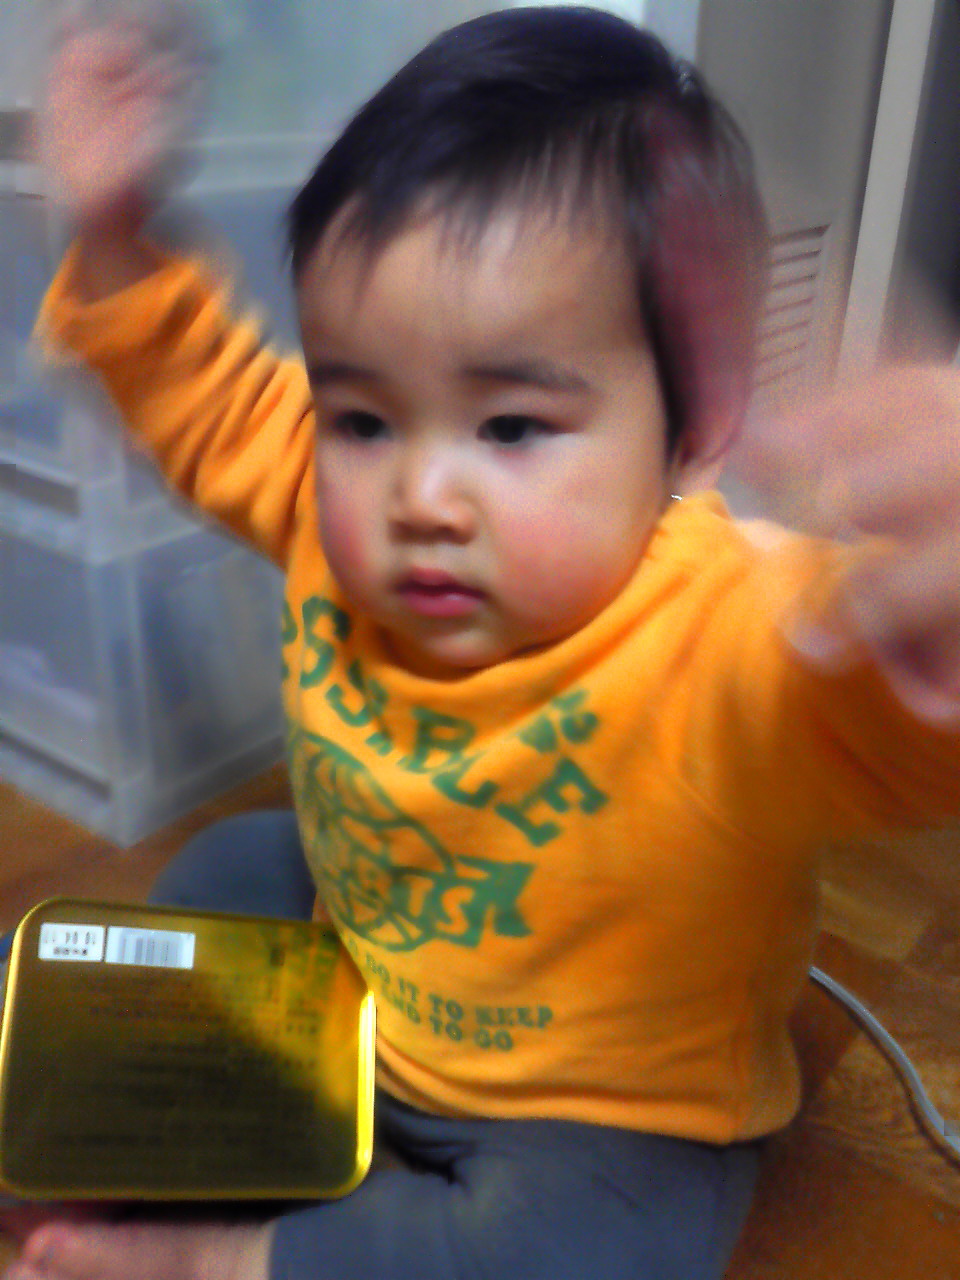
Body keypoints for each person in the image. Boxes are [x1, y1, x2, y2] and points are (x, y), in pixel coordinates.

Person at [5, 7, 960, 1279]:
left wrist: (935, 604)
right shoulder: (326, 494)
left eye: (510, 427)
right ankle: (117, 1130)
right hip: (362, 955)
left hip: (594, 1109)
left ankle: (218, 1258)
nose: (421, 494)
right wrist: (115, 231)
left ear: (694, 427)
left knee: (594, 1243)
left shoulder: (734, 636)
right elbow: (203, 389)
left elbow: (887, 711)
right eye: (363, 416)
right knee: (234, 860)